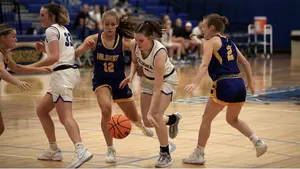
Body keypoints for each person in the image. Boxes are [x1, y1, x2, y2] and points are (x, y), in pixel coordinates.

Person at [182, 14, 268, 165]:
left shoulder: (210, 42)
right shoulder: (230, 42)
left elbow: (204, 65)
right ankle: (258, 142)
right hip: (239, 85)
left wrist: (195, 82)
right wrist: (251, 83)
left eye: (204, 26)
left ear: (212, 28)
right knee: (232, 119)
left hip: (224, 84)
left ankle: (199, 153)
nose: (202, 29)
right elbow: (246, 63)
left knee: (206, 120)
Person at [75, 10, 153, 163]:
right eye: (107, 24)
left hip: (120, 82)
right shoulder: (94, 39)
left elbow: (136, 58)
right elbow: (76, 54)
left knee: (133, 117)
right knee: (106, 109)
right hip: (101, 81)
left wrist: (134, 72)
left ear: (117, 25)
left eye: (112, 24)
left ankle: (140, 124)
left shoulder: (124, 42)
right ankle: (110, 148)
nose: (110, 27)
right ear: (101, 24)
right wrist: (84, 48)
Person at [30, 4, 93, 168]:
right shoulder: (62, 29)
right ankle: (53, 149)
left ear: (51, 16)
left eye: (43, 15)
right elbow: (65, 55)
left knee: (65, 117)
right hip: (68, 73)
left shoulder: (51, 30)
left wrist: (31, 67)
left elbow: (54, 58)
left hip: (62, 76)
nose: (40, 18)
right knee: (41, 110)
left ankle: (81, 149)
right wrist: (45, 49)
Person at [120, 20, 182, 168]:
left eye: (141, 40)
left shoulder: (159, 53)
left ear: (150, 39)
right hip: (147, 81)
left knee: (155, 116)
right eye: (137, 39)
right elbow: (134, 62)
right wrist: (131, 75)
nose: (138, 43)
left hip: (167, 81)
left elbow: (158, 88)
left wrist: (152, 112)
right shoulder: (135, 44)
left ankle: (165, 154)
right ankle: (173, 119)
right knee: (148, 122)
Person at [0, 23, 51, 136]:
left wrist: (39, 69)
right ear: (3, 38)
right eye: (13, 36)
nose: (16, 39)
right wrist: (17, 82)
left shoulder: (5, 53)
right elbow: (1, 71)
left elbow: (17, 68)